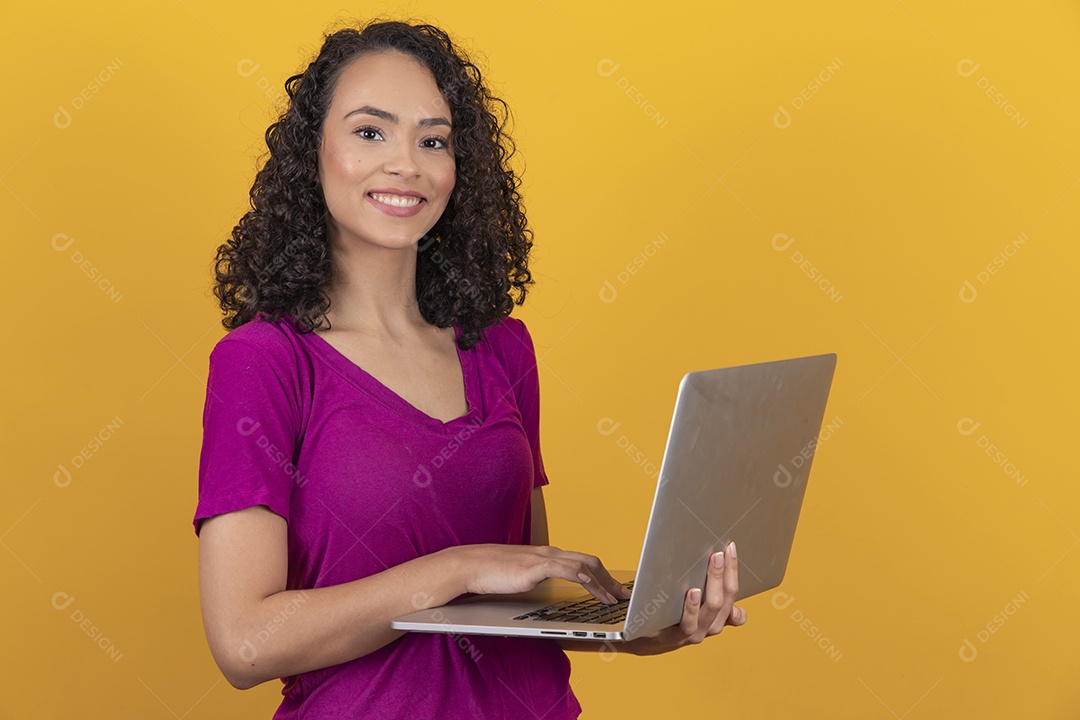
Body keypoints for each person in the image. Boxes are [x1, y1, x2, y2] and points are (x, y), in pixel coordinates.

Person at [194, 19, 746, 719]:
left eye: (433, 140)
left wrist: (653, 622)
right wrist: (454, 569)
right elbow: (244, 643)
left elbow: (522, 599)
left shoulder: (501, 348)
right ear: (312, 156)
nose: (408, 164)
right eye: (370, 132)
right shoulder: (264, 363)